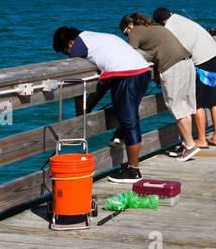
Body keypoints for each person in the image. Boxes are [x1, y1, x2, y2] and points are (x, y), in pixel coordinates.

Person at [54, 24, 153, 182]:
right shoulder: (94, 38)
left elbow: (77, 79)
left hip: (127, 74)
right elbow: (103, 85)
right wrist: (87, 109)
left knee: (129, 123)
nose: (68, 55)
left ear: (70, 43)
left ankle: (134, 171)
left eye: (65, 51)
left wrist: (81, 113)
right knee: (129, 117)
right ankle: (123, 143)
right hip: (143, 71)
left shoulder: (78, 46)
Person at [119, 13, 200, 160]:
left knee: (177, 107)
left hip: (173, 66)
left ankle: (189, 145)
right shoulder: (153, 27)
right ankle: (188, 144)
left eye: (125, 32)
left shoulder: (135, 31)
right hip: (187, 63)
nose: (127, 35)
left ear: (129, 27)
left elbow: (128, 53)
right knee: (185, 107)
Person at [153, 7, 216, 148]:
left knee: (198, 102)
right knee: (214, 100)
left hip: (203, 63)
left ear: (162, 22)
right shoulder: (180, 19)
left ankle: (201, 139)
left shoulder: (169, 28)